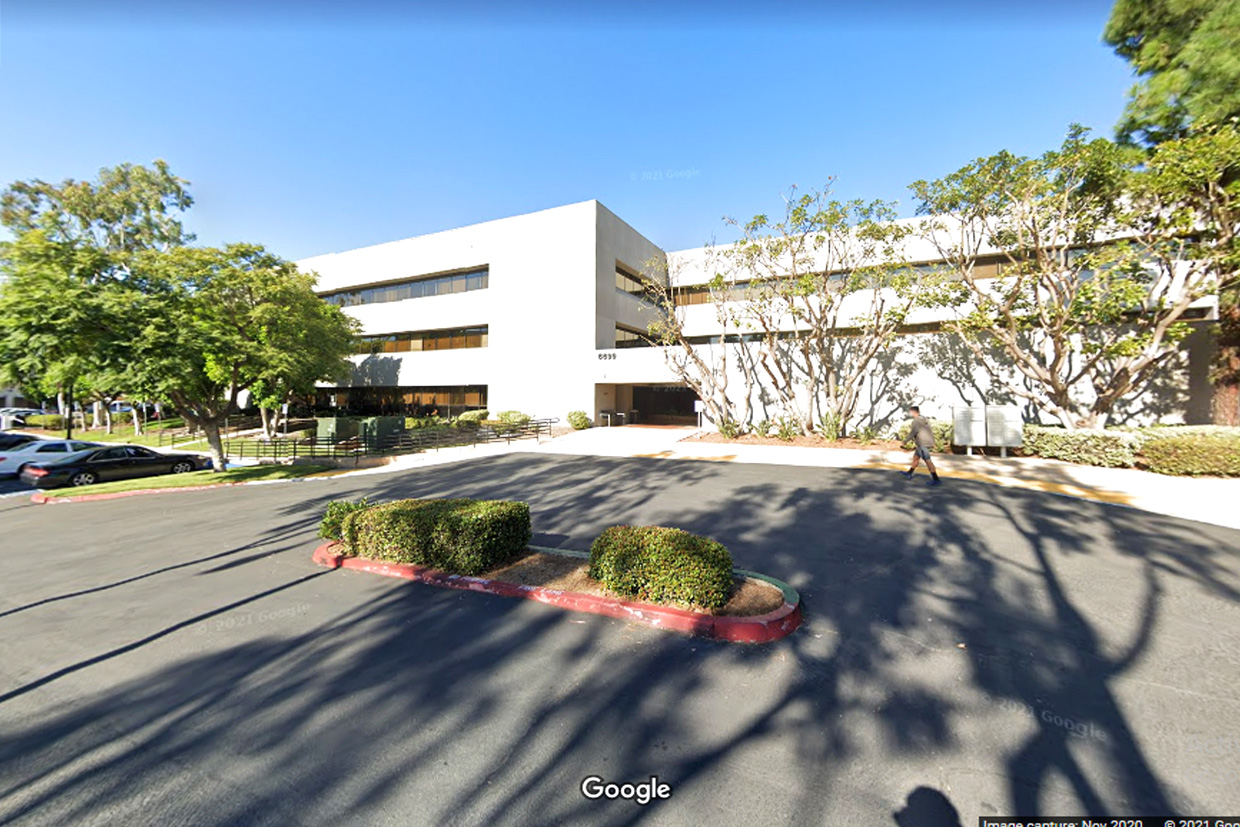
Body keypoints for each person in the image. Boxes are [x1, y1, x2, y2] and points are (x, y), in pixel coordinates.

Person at [900, 405, 941, 486]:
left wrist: (905, 441)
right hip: (924, 442)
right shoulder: (924, 419)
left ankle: (936, 479)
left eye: (910, 412)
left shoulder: (916, 421)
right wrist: (932, 442)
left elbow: (913, 432)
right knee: (916, 458)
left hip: (922, 444)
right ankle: (909, 473)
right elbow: (929, 431)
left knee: (928, 461)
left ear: (913, 412)